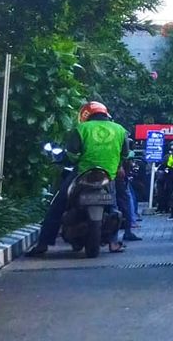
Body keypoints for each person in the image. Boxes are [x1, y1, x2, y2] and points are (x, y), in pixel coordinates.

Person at [28, 101, 129, 256]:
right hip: (108, 176)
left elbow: (72, 154)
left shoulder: (81, 129)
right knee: (113, 206)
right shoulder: (120, 130)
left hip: (82, 173)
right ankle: (114, 242)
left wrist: (75, 160)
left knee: (58, 205)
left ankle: (43, 244)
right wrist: (117, 166)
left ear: (86, 115)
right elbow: (125, 154)